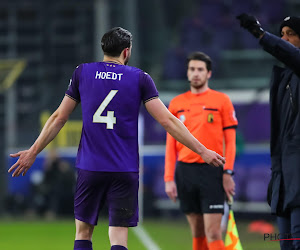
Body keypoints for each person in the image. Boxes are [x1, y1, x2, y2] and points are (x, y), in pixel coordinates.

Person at [8, 27, 225, 250]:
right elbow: (168, 121)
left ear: (104, 48)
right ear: (126, 51)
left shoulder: (82, 72)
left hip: (90, 167)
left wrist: (33, 151)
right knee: (119, 236)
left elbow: (58, 118)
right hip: (124, 169)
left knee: (83, 233)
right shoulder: (140, 78)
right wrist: (202, 150)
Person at [237, 14, 300, 250]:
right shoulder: (284, 78)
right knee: (286, 243)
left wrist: (261, 35)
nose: (285, 39)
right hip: (285, 176)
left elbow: (291, 55)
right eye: (281, 35)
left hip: (298, 175)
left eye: (291, 34)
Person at [164, 52, 238, 250]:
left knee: (213, 232)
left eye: (200, 69)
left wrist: (227, 172)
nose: (195, 73)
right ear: (187, 73)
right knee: (197, 233)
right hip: (185, 173)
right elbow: (171, 145)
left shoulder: (222, 101)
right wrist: (169, 178)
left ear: (209, 74)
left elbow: (231, 143)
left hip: (212, 172)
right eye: (192, 69)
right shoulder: (176, 103)